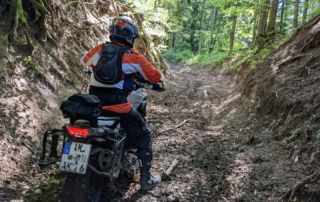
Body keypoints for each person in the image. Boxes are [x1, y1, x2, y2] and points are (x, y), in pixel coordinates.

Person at [80, 16, 161, 191]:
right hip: (119, 108)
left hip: (94, 107)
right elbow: (155, 77)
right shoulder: (134, 56)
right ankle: (146, 181)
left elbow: (84, 60)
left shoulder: (100, 48)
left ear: (112, 33)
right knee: (145, 134)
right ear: (131, 36)